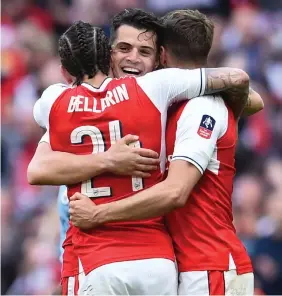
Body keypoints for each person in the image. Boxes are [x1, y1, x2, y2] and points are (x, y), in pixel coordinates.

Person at [30, 13, 254, 294]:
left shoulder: (164, 96)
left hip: (178, 260)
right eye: (124, 48)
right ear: (108, 54)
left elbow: (175, 191)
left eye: (144, 51)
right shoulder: (143, 93)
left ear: (159, 58)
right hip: (140, 259)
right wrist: (108, 159)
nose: (133, 58)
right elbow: (38, 169)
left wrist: (98, 213)